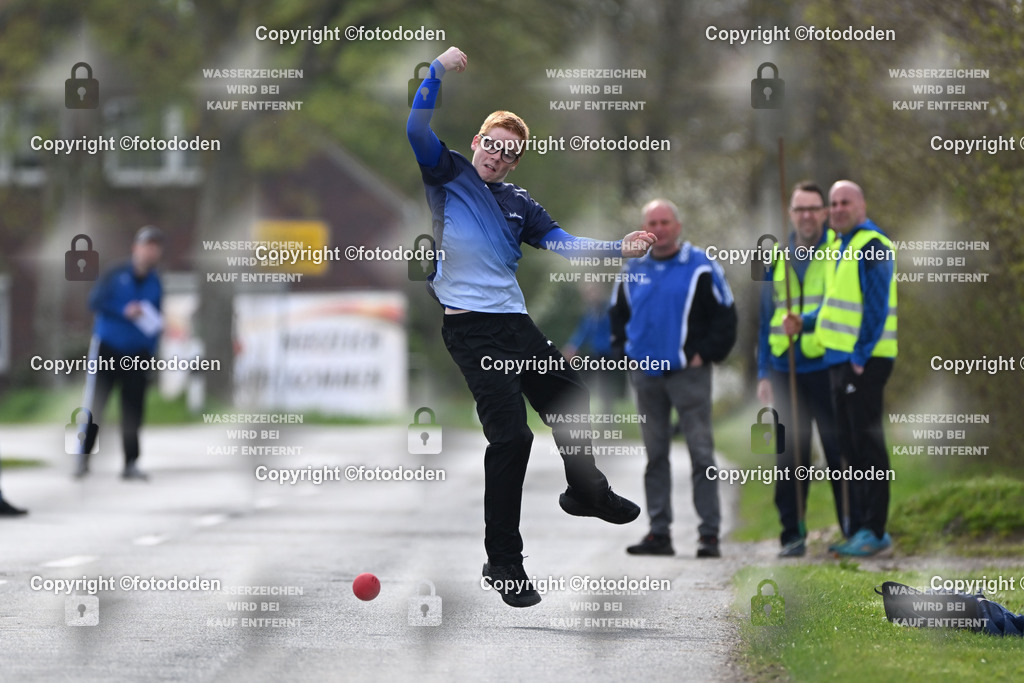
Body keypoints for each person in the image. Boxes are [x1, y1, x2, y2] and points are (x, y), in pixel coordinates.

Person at [407, 47, 654, 608]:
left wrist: (619, 248)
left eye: (509, 152)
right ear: (478, 141)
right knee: (512, 438)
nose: (497, 155)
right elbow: (416, 127)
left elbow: (565, 243)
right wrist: (436, 71)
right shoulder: (447, 173)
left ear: (516, 162)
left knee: (571, 395)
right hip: (471, 332)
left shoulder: (520, 203)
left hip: (514, 323)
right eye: (492, 144)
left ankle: (586, 492)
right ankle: (503, 562)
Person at [610, 199, 737, 558]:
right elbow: (617, 316)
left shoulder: (701, 266)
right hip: (646, 376)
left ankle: (709, 535)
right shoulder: (631, 268)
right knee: (655, 456)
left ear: (677, 227)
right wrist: (625, 354)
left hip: (688, 374)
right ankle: (659, 533)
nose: (659, 229)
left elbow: (726, 316)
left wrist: (705, 354)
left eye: (665, 222)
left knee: (701, 454)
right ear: (644, 229)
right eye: (652, 223)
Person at [783, 180, 897, 557]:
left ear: (862, 205)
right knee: (850, 446)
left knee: (867, 444)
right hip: (838, 361)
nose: (838, 209)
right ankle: (861, 529)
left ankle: (875, 530)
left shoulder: (873, 246)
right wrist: (805, 322)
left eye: (846, 202)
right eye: (833, 203)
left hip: (863, 362)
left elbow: (876, 308)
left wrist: (860, 357)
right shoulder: (839, 246)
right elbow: (834, 307)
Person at [756, 181, 854, 558]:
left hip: (828, 365)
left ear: (825, 213)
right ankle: (792, 535)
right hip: (785, 369)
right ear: (791, 214)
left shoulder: (840, 251)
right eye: (800, 209)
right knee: (790, 456)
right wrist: (763, 371)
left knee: (838, 451)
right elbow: (765, 317)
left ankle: (851, 530)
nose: (807, 215)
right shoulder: (773, 257)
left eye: (814, 208)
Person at [75, 225, 164, 482]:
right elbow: (94, 301)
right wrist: (123, 309)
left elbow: (157, 319)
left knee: (133, 408)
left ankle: (131, 463)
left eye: (155, 248)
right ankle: (83, 458)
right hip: (109, 347)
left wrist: (151, 353)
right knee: (97, 404)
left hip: (138, 353)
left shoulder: (156, 282)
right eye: (147, 246)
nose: (150, 252)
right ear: (136, 248)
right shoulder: (115, 274)